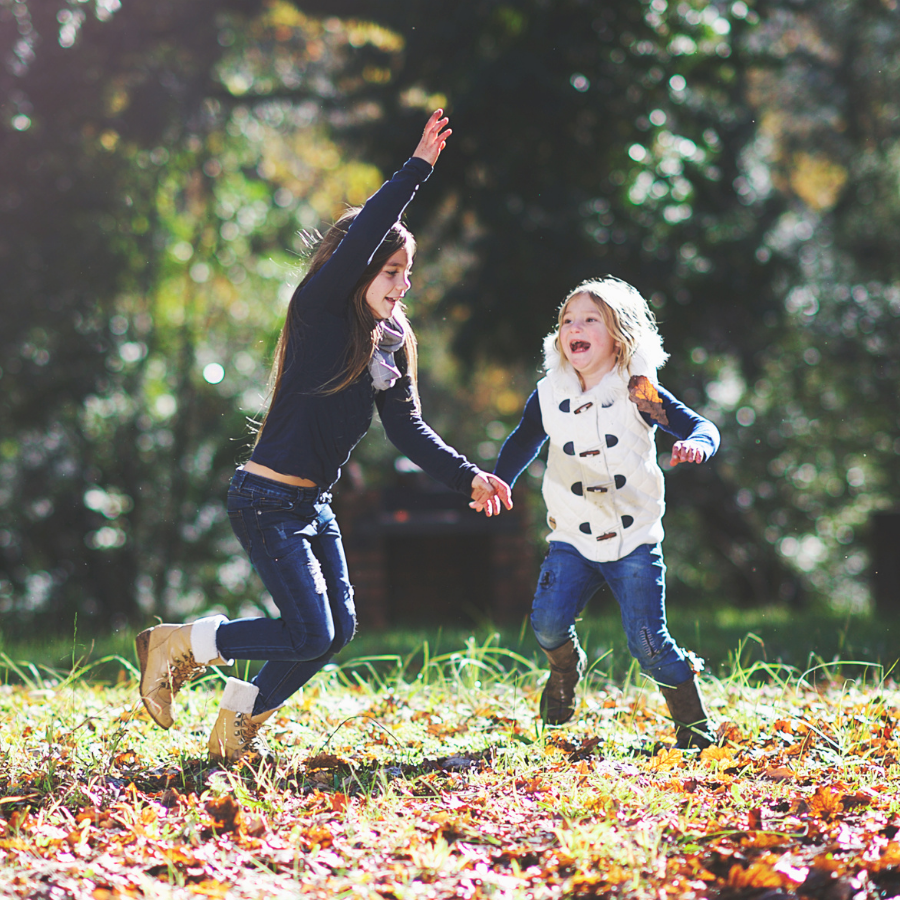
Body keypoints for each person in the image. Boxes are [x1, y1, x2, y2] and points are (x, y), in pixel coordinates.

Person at [136, 110, 512, 765]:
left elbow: (409, 431)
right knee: (308, 629)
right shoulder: (318, 312)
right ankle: (184, 644)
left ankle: (235, 723)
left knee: (334, 634)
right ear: (357, 269)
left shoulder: (389, 349)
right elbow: (368, 228)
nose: (404, 284)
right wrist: (416, 168)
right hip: (265, 502)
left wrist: (467, 476)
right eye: (391, 270)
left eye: (408, 272)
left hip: (313, 508)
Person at [493, 276, 719, 748]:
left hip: (633, 537)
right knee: (547, 623)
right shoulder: (550, 392)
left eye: (589, 319)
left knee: (648, 644)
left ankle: (695, 728)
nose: (574, 327)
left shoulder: (638, 390)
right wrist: (500, 478)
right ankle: (563, 674)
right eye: (566, 321)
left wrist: (696, 443)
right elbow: (523, 441)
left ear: (618, 335)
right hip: (573, 533)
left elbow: (697, 424)